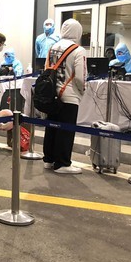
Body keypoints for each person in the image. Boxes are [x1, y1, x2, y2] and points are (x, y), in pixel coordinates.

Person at [42, 18, 87, 174]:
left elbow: (46, 69)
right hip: (70, 95)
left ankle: (48, 159)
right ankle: (62, 163)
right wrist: (82, 90)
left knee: (52, 127)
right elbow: (81, 77)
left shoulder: (53, 47)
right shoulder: (78, 50)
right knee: (66, 130)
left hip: (52, 95)